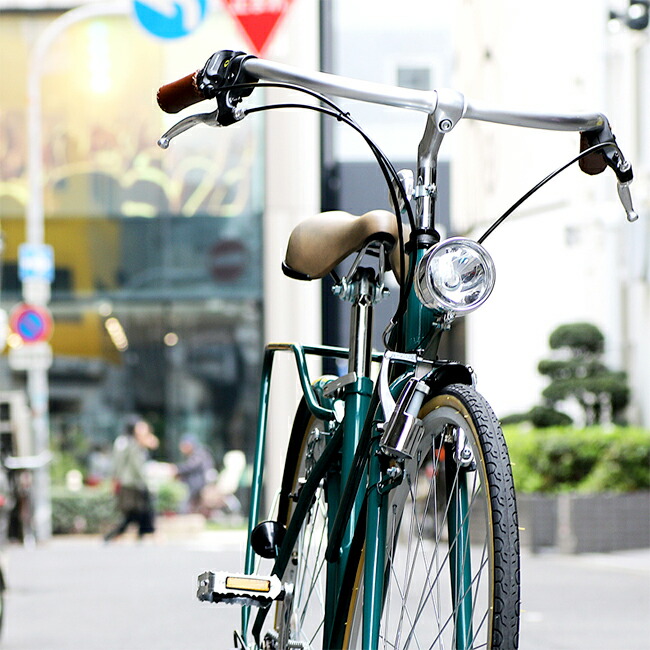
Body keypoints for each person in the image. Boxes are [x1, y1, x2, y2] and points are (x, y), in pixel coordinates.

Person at [104, 416, 159, 542]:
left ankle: (140, 534)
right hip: (131, 483)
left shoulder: (133, 442)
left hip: (133, 482)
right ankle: (116, 535)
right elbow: (129, 465)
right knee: (135, 512)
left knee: (137, 512)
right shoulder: (127, 442)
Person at [174, 434, 214, 514]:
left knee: (183, 490)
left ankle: (182, 513)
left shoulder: (200, 453)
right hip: (198, 482)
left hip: (200, 483)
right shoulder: (196, 453)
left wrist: (176, 469)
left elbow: (190, 466)